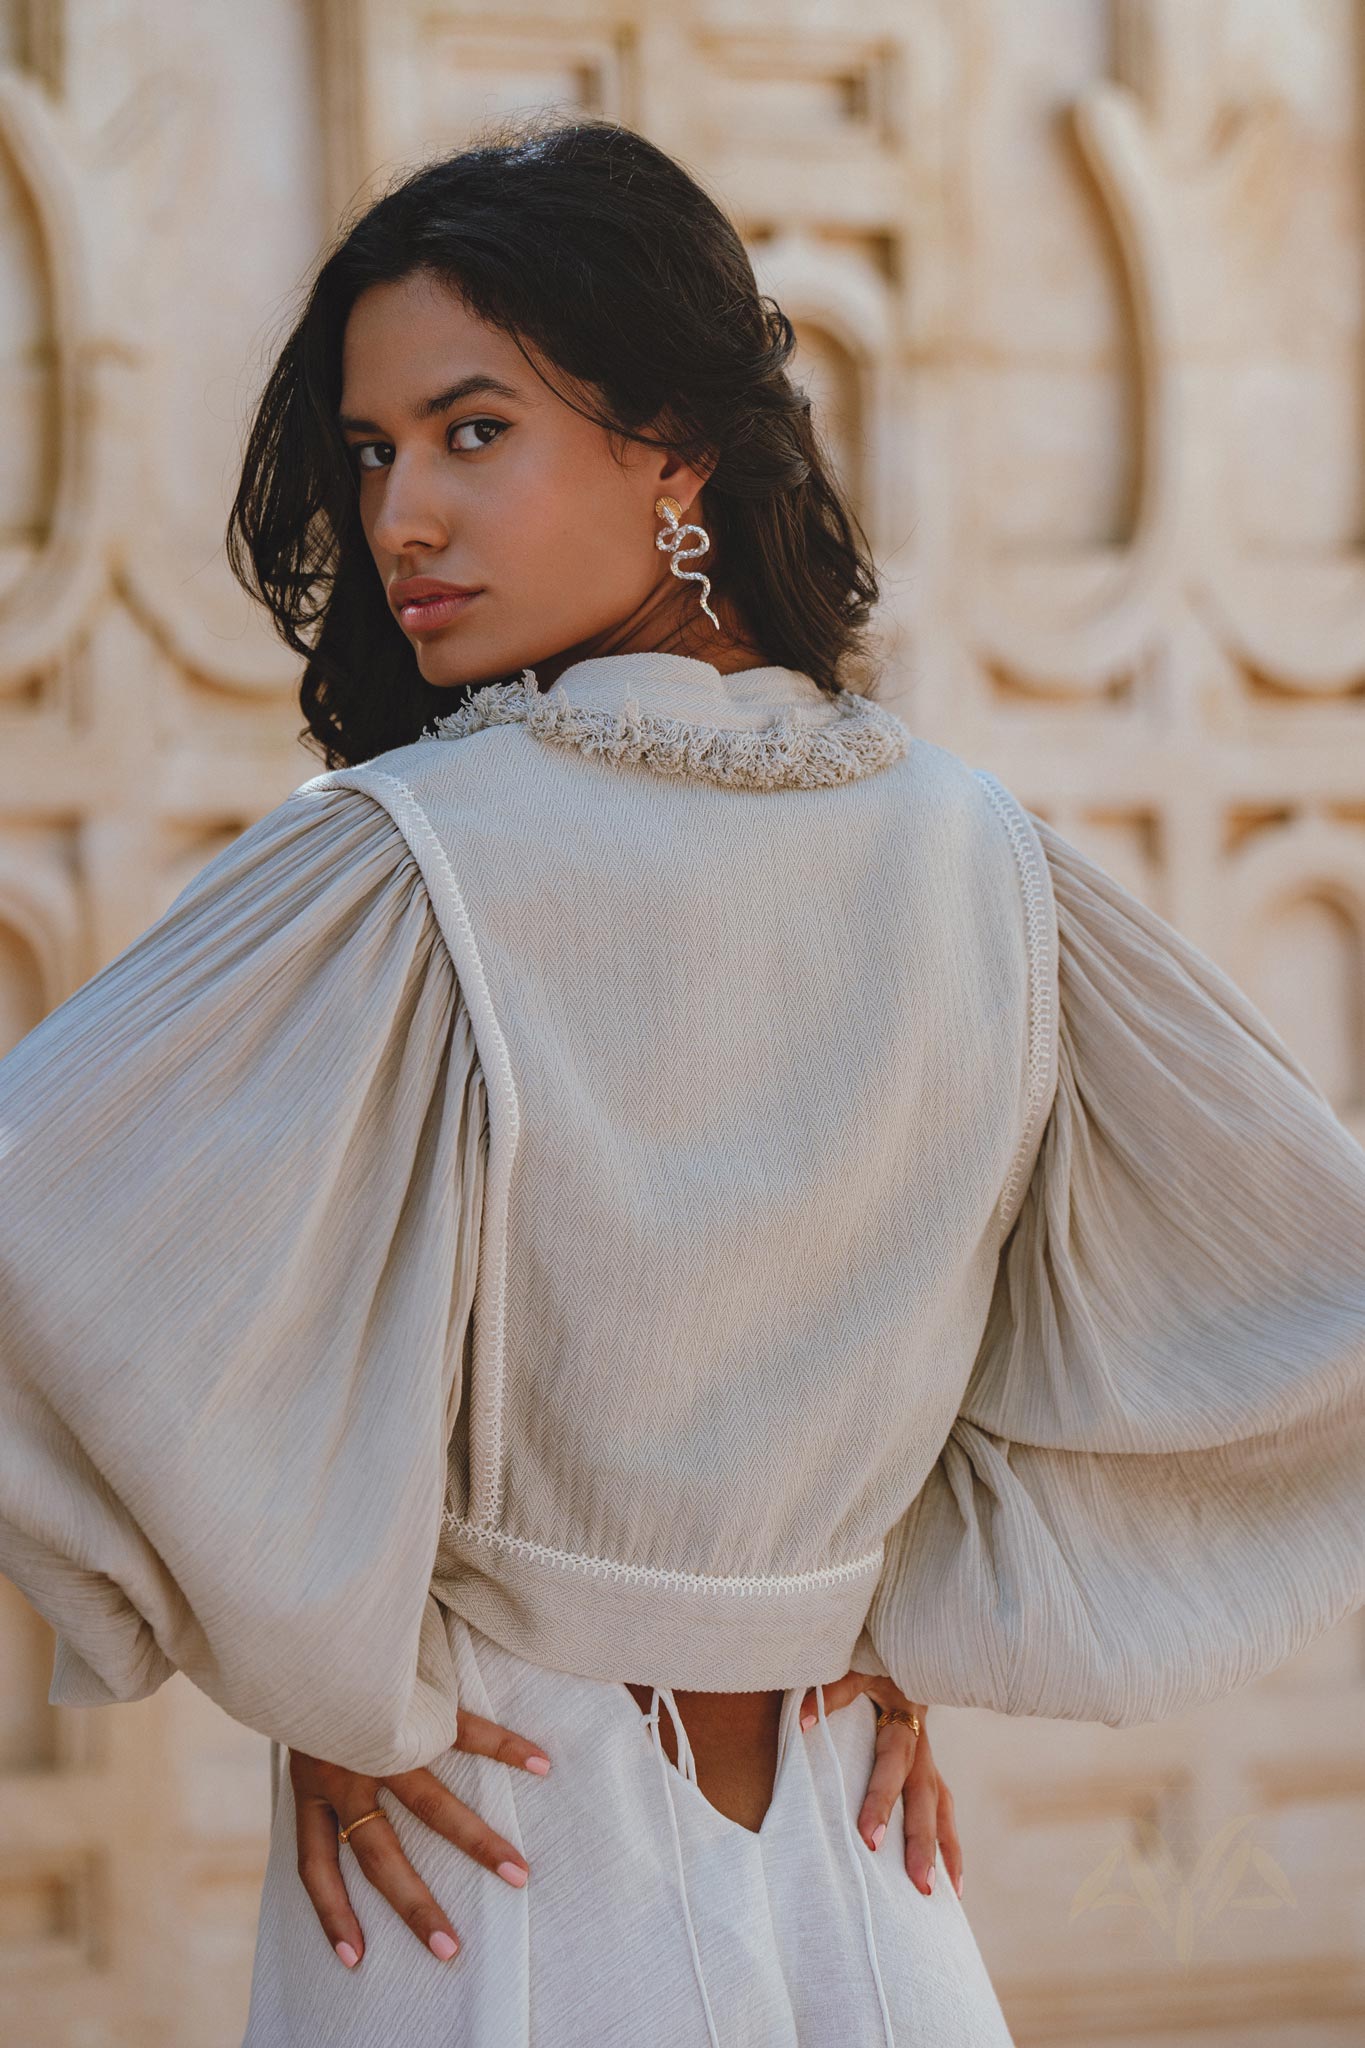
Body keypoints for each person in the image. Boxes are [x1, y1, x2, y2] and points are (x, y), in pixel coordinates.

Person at [1, 113, 1362, 2048]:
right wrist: (891, 1613)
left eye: (474, 431)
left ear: (679, 450)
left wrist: (330, 1673)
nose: (399, 516)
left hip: (497, 1858)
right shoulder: (986, 861)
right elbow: (1290, 1308)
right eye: (375, 450)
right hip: (800, 1865)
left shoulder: (409, 866)